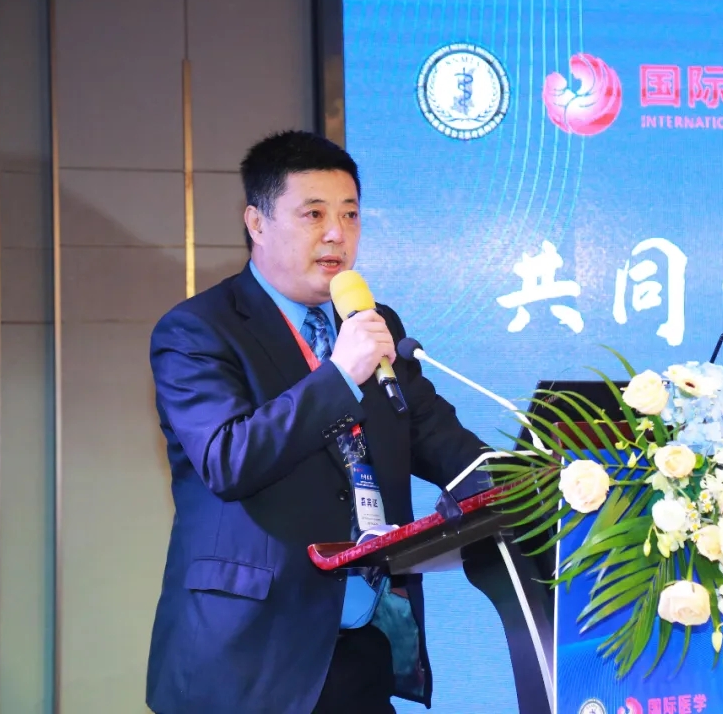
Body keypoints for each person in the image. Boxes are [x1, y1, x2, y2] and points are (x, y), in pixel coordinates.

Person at [145, 130, 488, 714]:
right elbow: (229, 460)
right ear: (256, 222)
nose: (337, 234)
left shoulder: (371, 322)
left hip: (361, 640)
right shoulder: (197, 331)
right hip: (249, 657)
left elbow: (435, 435)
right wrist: (340, 374)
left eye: (350, 214)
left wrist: (527, 478)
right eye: (314, 214)